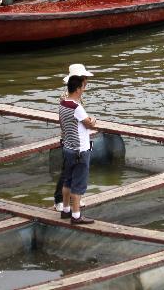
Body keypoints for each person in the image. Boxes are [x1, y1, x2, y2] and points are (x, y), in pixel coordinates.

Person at [59, 70, 99, 224]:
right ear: (77, 89)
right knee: (79, 183)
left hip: (68, 147)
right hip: (80, 150)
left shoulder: (63, 104)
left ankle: (66, 210)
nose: (84, 89)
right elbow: (88, 123)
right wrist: (93, 119)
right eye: (83, 87)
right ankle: (76, 216)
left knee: (67, 181)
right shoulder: (77, 108)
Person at [54, 64, 93, 213]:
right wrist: (90, 121)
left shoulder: (66, 99)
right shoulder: (71, 100)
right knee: (70, 175)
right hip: (74, 143)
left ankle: (66, 205)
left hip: (69, 140)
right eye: (84, 79)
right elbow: (84, 121)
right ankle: (69, 207)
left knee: (69, 175)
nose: (86, 82)